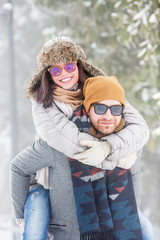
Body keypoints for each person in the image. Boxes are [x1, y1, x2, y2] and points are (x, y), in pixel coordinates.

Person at [10, 38, 152, 239]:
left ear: (79, 65)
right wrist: (114, 153)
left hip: (100, 187)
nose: (65, 74)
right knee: (35, 222)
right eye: (56, 70)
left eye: (69, 65)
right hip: (49, 176)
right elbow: (69, 141)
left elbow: (138, 128)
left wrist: (125, 148)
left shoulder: (100, 95)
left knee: (143, 227)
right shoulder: (43, 103)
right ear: (47, 74)